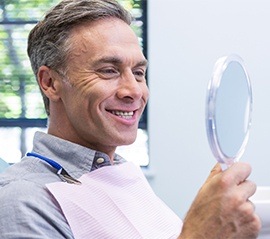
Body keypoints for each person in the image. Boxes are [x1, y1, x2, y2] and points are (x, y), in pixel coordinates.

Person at [0, 0, 261, 238]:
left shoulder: (122, 175)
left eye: (138, 72)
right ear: (50, 83)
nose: (134, 90)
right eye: (108, 71)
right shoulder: (22, 199)